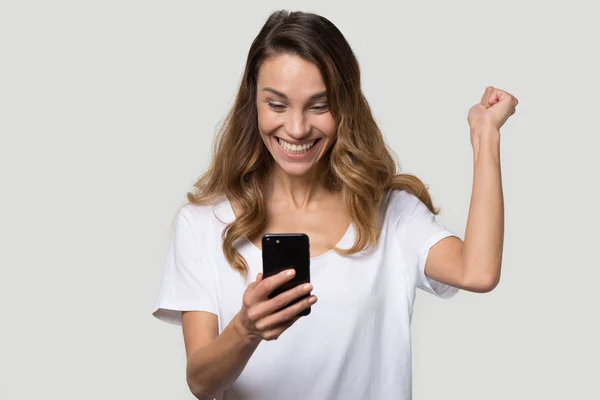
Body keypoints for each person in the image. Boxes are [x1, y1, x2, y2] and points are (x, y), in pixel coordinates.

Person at [152, 9, 518, 400]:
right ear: (252, 103)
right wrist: (246, 329)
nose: (296, 128)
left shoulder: (389, 214)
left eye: (318, 105)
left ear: (344, 107)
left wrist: (486, 136)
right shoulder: (203, 224)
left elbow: (478, 272)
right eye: (276, 105)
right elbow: (201, 383)